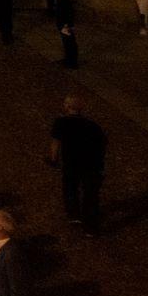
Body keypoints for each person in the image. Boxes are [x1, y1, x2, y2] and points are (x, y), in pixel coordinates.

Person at [48, 95, 105, 235]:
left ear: (67, 107)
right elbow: (102, 145)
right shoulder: (92, 126)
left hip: (71, 163)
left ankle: (74, 214)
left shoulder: (61, 122)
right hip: (91, 164)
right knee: (90, 195)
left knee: (70, 188)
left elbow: (55, 144)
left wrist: (53, 159)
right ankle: (90, 226)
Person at [53, 0, 78, 69]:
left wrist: (66, 24)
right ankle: (69, 59)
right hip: (63, 24)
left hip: (65, 25)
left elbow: (66, 12)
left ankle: (72, 62)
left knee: (69, 42)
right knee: (67, 42)